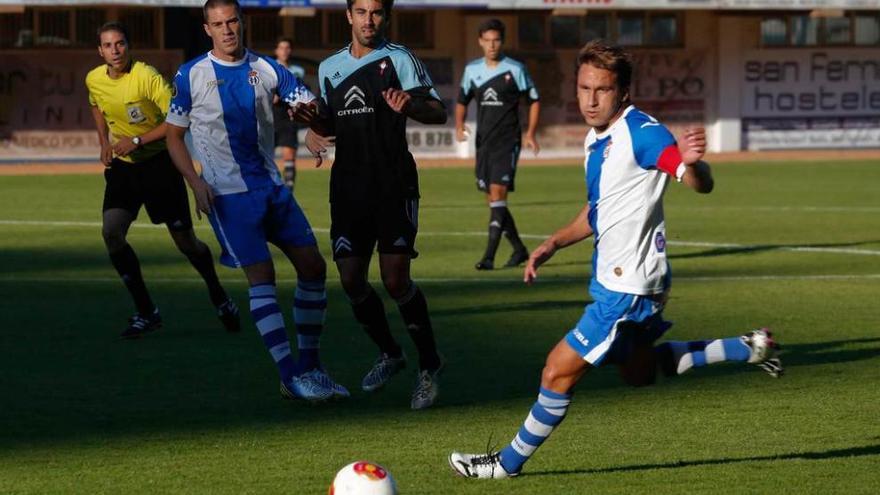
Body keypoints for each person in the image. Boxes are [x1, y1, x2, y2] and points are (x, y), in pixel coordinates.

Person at [448, 40, 783, 479]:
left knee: (556, 371)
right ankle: (747, 348)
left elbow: (694, 181)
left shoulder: (642, 133)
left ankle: (505, 464)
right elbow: (599, 208)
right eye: (584, 87)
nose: (589, 99)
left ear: (623, 91)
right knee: (639, 372)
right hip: (629, 281)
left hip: (627, 289)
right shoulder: (596, 137)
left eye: (601, 89)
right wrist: (554, 243)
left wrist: (694, 166)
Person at [165, 0, 346, 402]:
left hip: (270, 186)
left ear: (242, 23)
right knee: (262, 275)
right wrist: (195, 182)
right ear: (207, 28)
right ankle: (289, 375)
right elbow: (173, 136)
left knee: (313, 267)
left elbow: (310, 107)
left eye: (232, 21)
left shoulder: (267, 69)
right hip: (226, 194)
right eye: (218, 23)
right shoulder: (189, 75)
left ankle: (312, 366)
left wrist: (316, 126)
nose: (227, 29)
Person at [304, 0, 446, 410]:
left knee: (396, 280)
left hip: (393, 184)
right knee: (350, 279)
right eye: (361, 12)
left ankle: (429, 365)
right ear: (348, 16)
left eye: (377, 13)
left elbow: (436, 110)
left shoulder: (399, 59)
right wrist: (313, 130)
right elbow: (330, 122)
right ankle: (390, 352)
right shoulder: (329, 67)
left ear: (387, 16)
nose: (369, 20)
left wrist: (412, 105)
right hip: (348, 187)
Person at [86, 21, 240, 339]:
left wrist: (139, 140)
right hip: (125, 169)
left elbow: (176, 120)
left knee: (185, 242)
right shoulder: (94, 79)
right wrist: (103, 142)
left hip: (160, 166)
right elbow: (96, 106)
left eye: (120, 44)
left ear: (128, 46)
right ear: (100, 51)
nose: (115, 51)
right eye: (108, 45)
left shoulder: (147, 77)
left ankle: (219, 296)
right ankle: (146, 312)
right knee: (112, 233)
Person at [455, 19, 540, 271]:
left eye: (497, 40)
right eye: (487, 40)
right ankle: (519, 249)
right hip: (484, 143)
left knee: (498, 194)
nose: (492, 45)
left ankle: (489, 256)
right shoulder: (472, 70)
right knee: (493, 200)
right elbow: (461, 100)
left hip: (508, 141)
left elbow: (534, 100)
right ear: (480, 41)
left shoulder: (515, 69)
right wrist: (459, 125)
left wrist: (531, 133)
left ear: (502, 41)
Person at [272, 37, 307, 190]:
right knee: (265, 157)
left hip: (288, 117)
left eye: (287, 48)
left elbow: (300, 92)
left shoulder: (298, 71)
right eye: (281, 48)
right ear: (276, 51)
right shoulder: (269, 69)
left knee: (289, 156)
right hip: (270, 117)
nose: (284, 51)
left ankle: (289, 193)